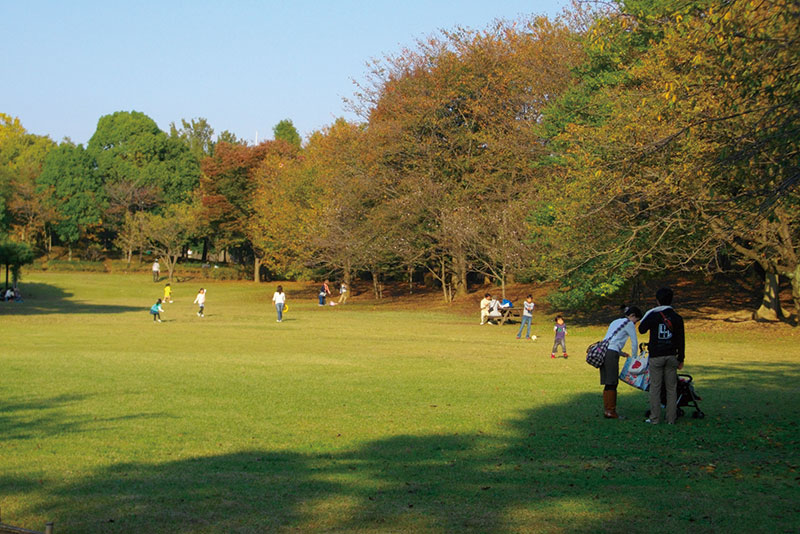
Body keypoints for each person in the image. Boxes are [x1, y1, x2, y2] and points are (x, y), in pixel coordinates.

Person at [639, 287, 686, 425]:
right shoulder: (677, 317)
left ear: (657, 300)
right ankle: (671, 418)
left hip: (656, 356)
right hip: (671, 355)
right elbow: (681, 339)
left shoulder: (653, 315)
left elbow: (641, 329)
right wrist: (681, 358)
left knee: (655, 387)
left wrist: (650, 312)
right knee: (671, 388)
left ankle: (654, 418)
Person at [599, 305, 643, 419]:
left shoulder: (615, 321)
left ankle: (607, 409)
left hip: (604, 352)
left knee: (608, 382)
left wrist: (621, 353)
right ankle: (611, 411)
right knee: (613, 382)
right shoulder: (628, 323)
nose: (635, 324)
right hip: (612, 354)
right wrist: (634, 358)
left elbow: (610, 340)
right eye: (636, 321)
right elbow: (634, 343)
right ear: (632, 316)